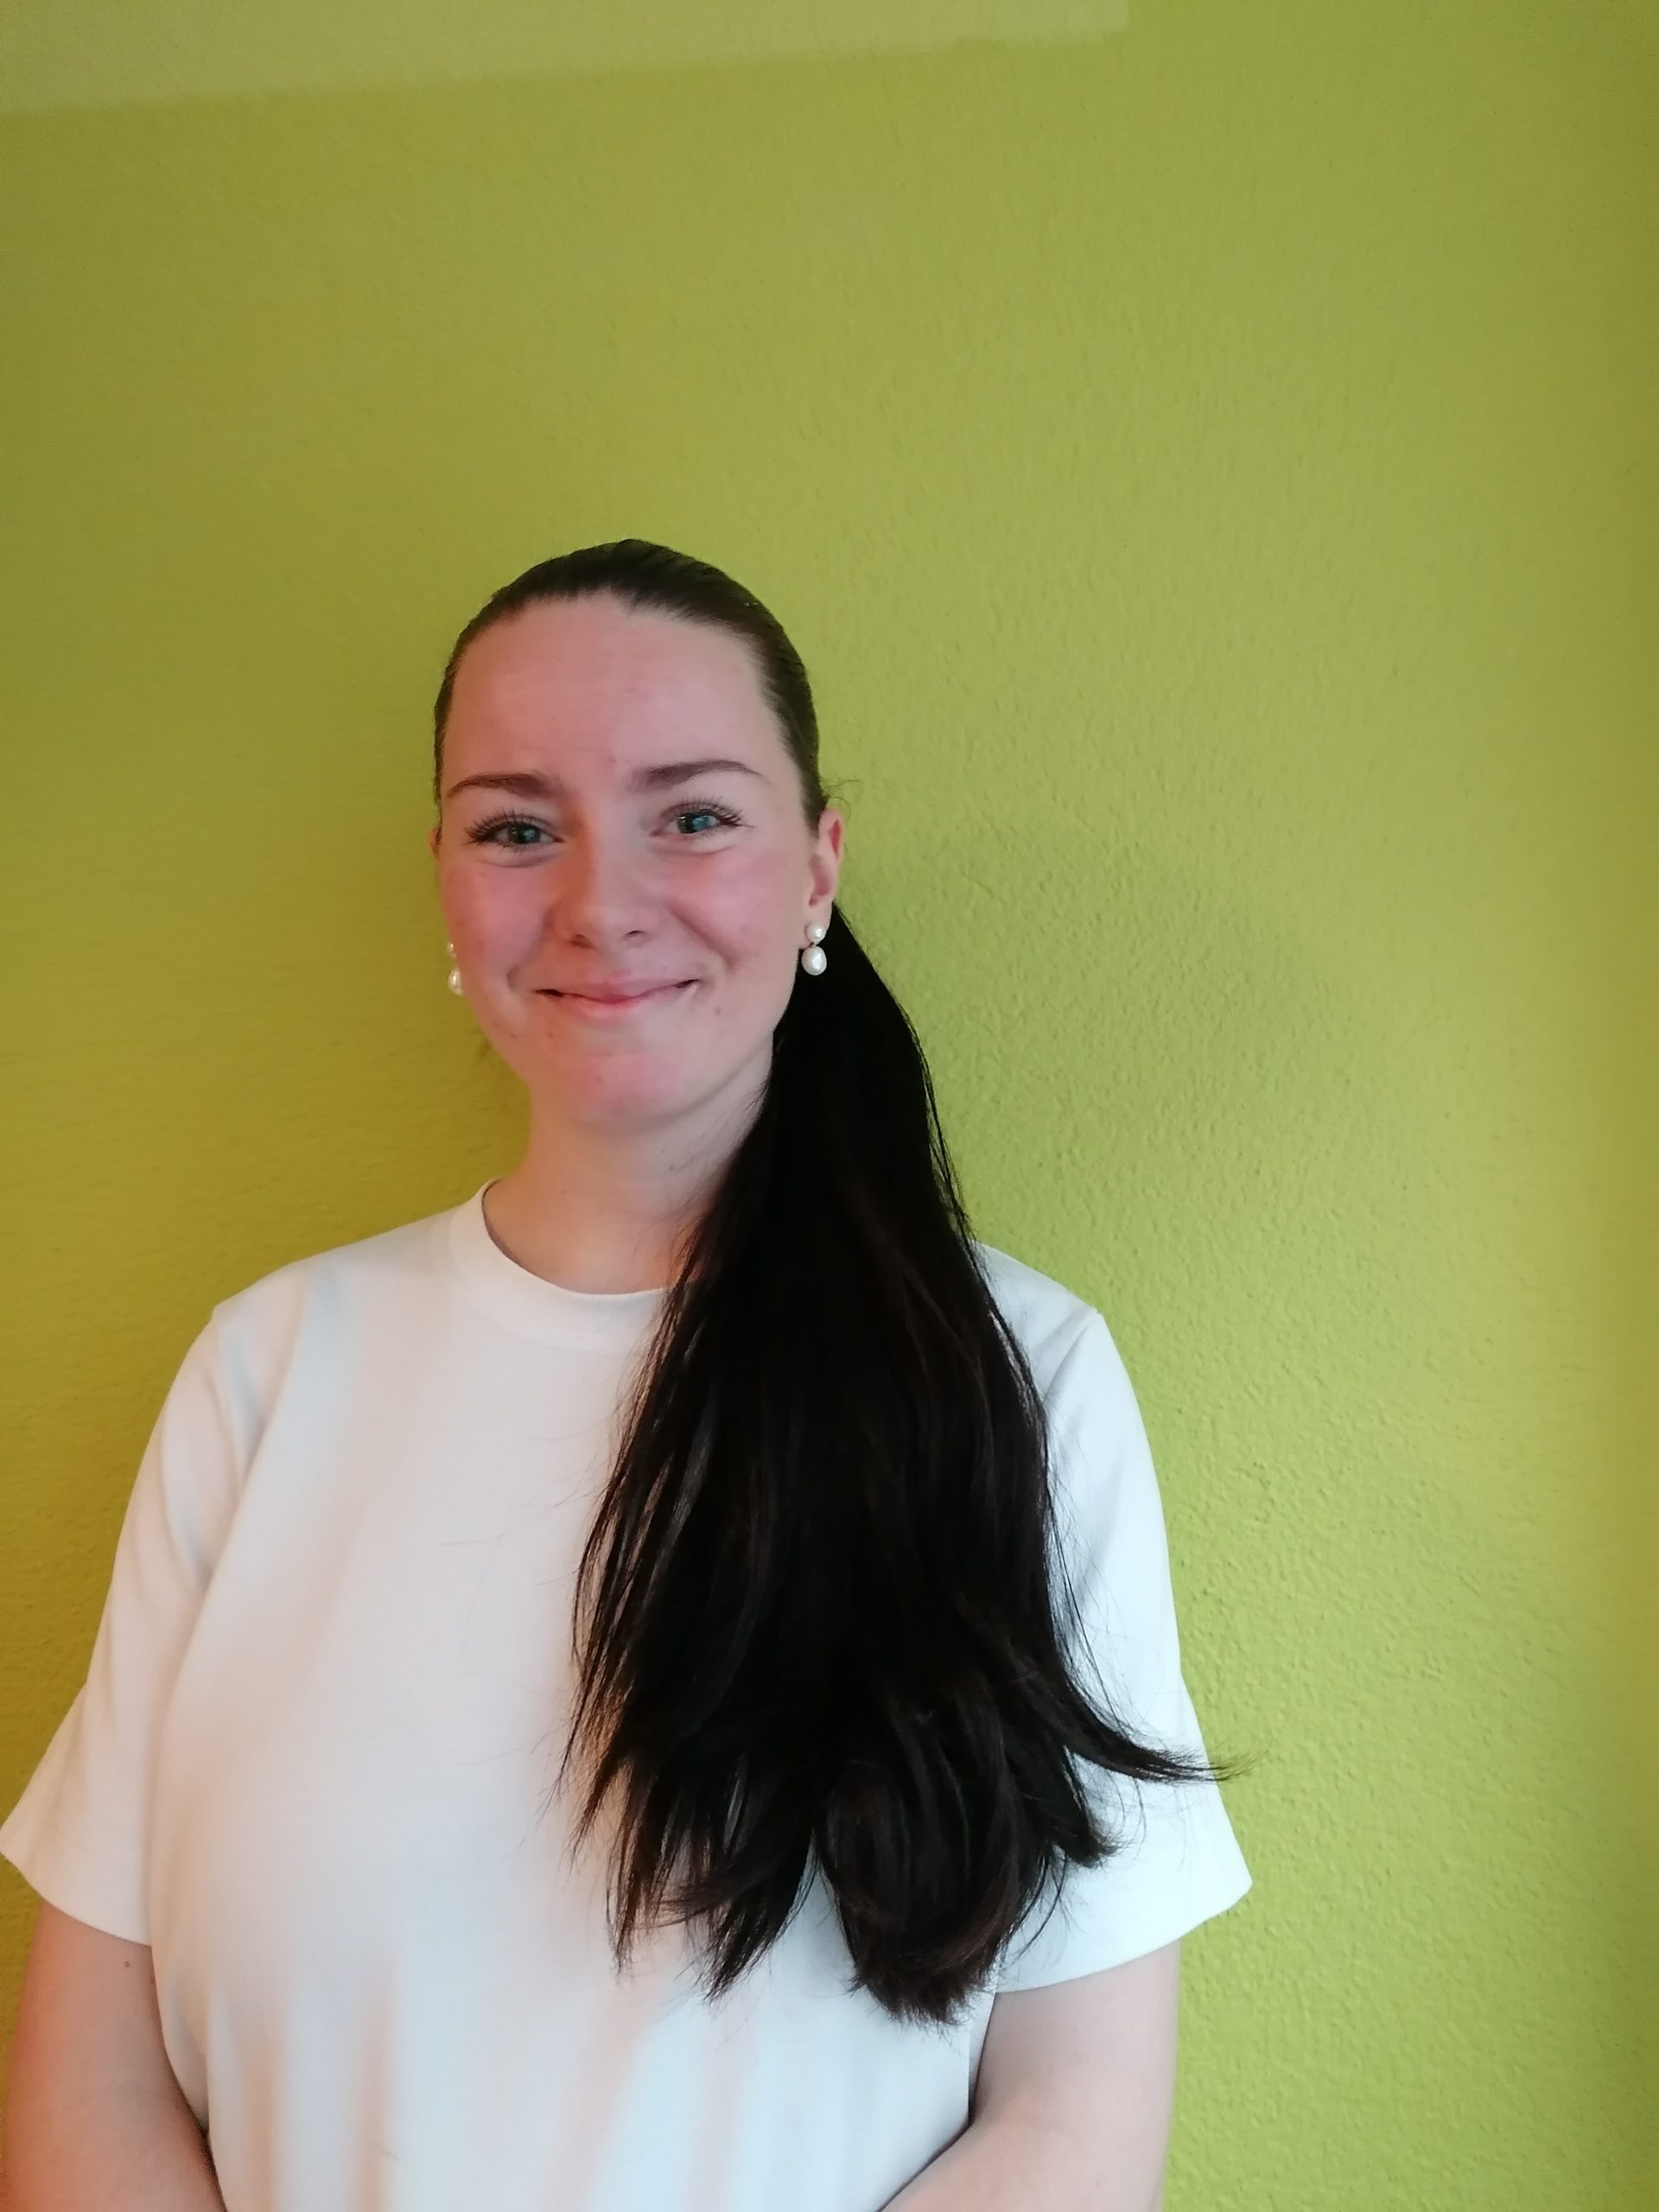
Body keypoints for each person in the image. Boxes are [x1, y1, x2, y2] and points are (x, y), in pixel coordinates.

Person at [0, 539, 1253, 2212]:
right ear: (445, 882)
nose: (601, 901)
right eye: (518, 827)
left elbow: (1072, 2128)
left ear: (817, 868)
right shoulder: (265, 1373)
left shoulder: (1018, 1381)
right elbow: (91, 2082)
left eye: (696, 815)